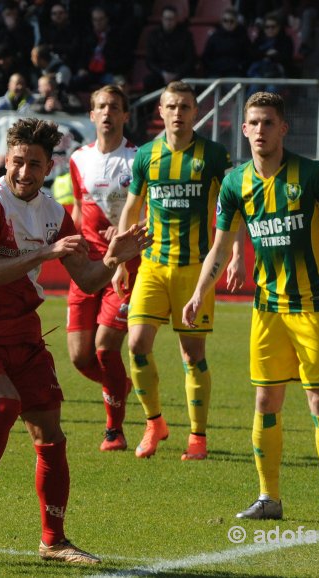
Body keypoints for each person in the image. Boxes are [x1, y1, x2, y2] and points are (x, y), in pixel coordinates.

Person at [0, 116, 151, 564]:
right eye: (17, 162)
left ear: (48, 166)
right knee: (3, 404)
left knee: (51, 436)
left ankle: (54, 541)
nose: (24, 172)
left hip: (23, 329)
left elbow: (89, 278)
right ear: (7, 158)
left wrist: (116, 257)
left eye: (34, 164)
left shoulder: (54, 213)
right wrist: (43, 253)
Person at [184, 91, 319, 525]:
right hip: (267, 310)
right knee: (265, 400)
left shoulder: (311, 175)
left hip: (313, 307)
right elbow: (220, 247)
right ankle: (269, 497)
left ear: (282, 128)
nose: (260, 130)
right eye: (254, 123)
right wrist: (198, 292)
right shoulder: (235, 183)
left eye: (269, 122)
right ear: (245, 129)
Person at [116, 81, 245, 461]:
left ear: (195, 111)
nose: (178, 113)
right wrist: (123, 261)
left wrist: (236, 255)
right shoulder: (146, 156)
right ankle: (154, 422)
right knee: (137, 345)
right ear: (161, 111)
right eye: (171, 106)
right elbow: (131, 208)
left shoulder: (214, 156)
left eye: (185, 107)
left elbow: (233, 209)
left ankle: (198, 437)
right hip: (153, 267)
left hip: (195, 270)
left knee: (192, 355)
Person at [67, 85, 137, 451]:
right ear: (92, 115)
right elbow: (79, 207)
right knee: (80, 357)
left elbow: (150, 212)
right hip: (87, 266)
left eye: (114, 107)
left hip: (123, 268)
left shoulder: (138, 160)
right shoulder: (78, 159)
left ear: (126, 115)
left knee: (105, 348)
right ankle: (118, 386)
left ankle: (114, 430)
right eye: (100, 106)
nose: (107, 112)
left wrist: (124, 232)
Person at [143, 5, 196, 94]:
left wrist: (176, 74)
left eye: (171, 19)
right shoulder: (154, 36)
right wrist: (163, 73)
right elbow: (150, 61)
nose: (168, 22)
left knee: (190, 82)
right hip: (161, 74)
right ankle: (150, 108)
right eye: (166, 19)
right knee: (149, 81)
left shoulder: (185, 36)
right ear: (162, 19)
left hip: (180, 73)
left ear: (176, 20)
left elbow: (190, 59)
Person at [202, 7, 253, 79]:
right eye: (225, 21)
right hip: (215, 71)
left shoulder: (243, 37)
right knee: (212, 84)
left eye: (231, 21)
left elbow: (248, 57)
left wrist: (239, 66)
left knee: (233, 85)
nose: (228, 23)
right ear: (221, 22)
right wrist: (213, 67)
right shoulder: (214, 37)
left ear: (236, 22)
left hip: (234, 72)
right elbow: (206, 57)